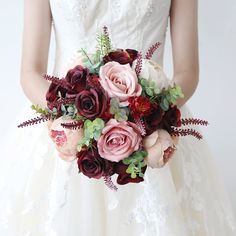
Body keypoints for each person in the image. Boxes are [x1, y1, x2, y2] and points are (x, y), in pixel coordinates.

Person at [0, 0, 235, 235]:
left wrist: (146, 116)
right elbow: (30, 72)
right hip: (66, 127)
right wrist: (75, 116)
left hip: (150, 129)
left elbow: (188, 72)